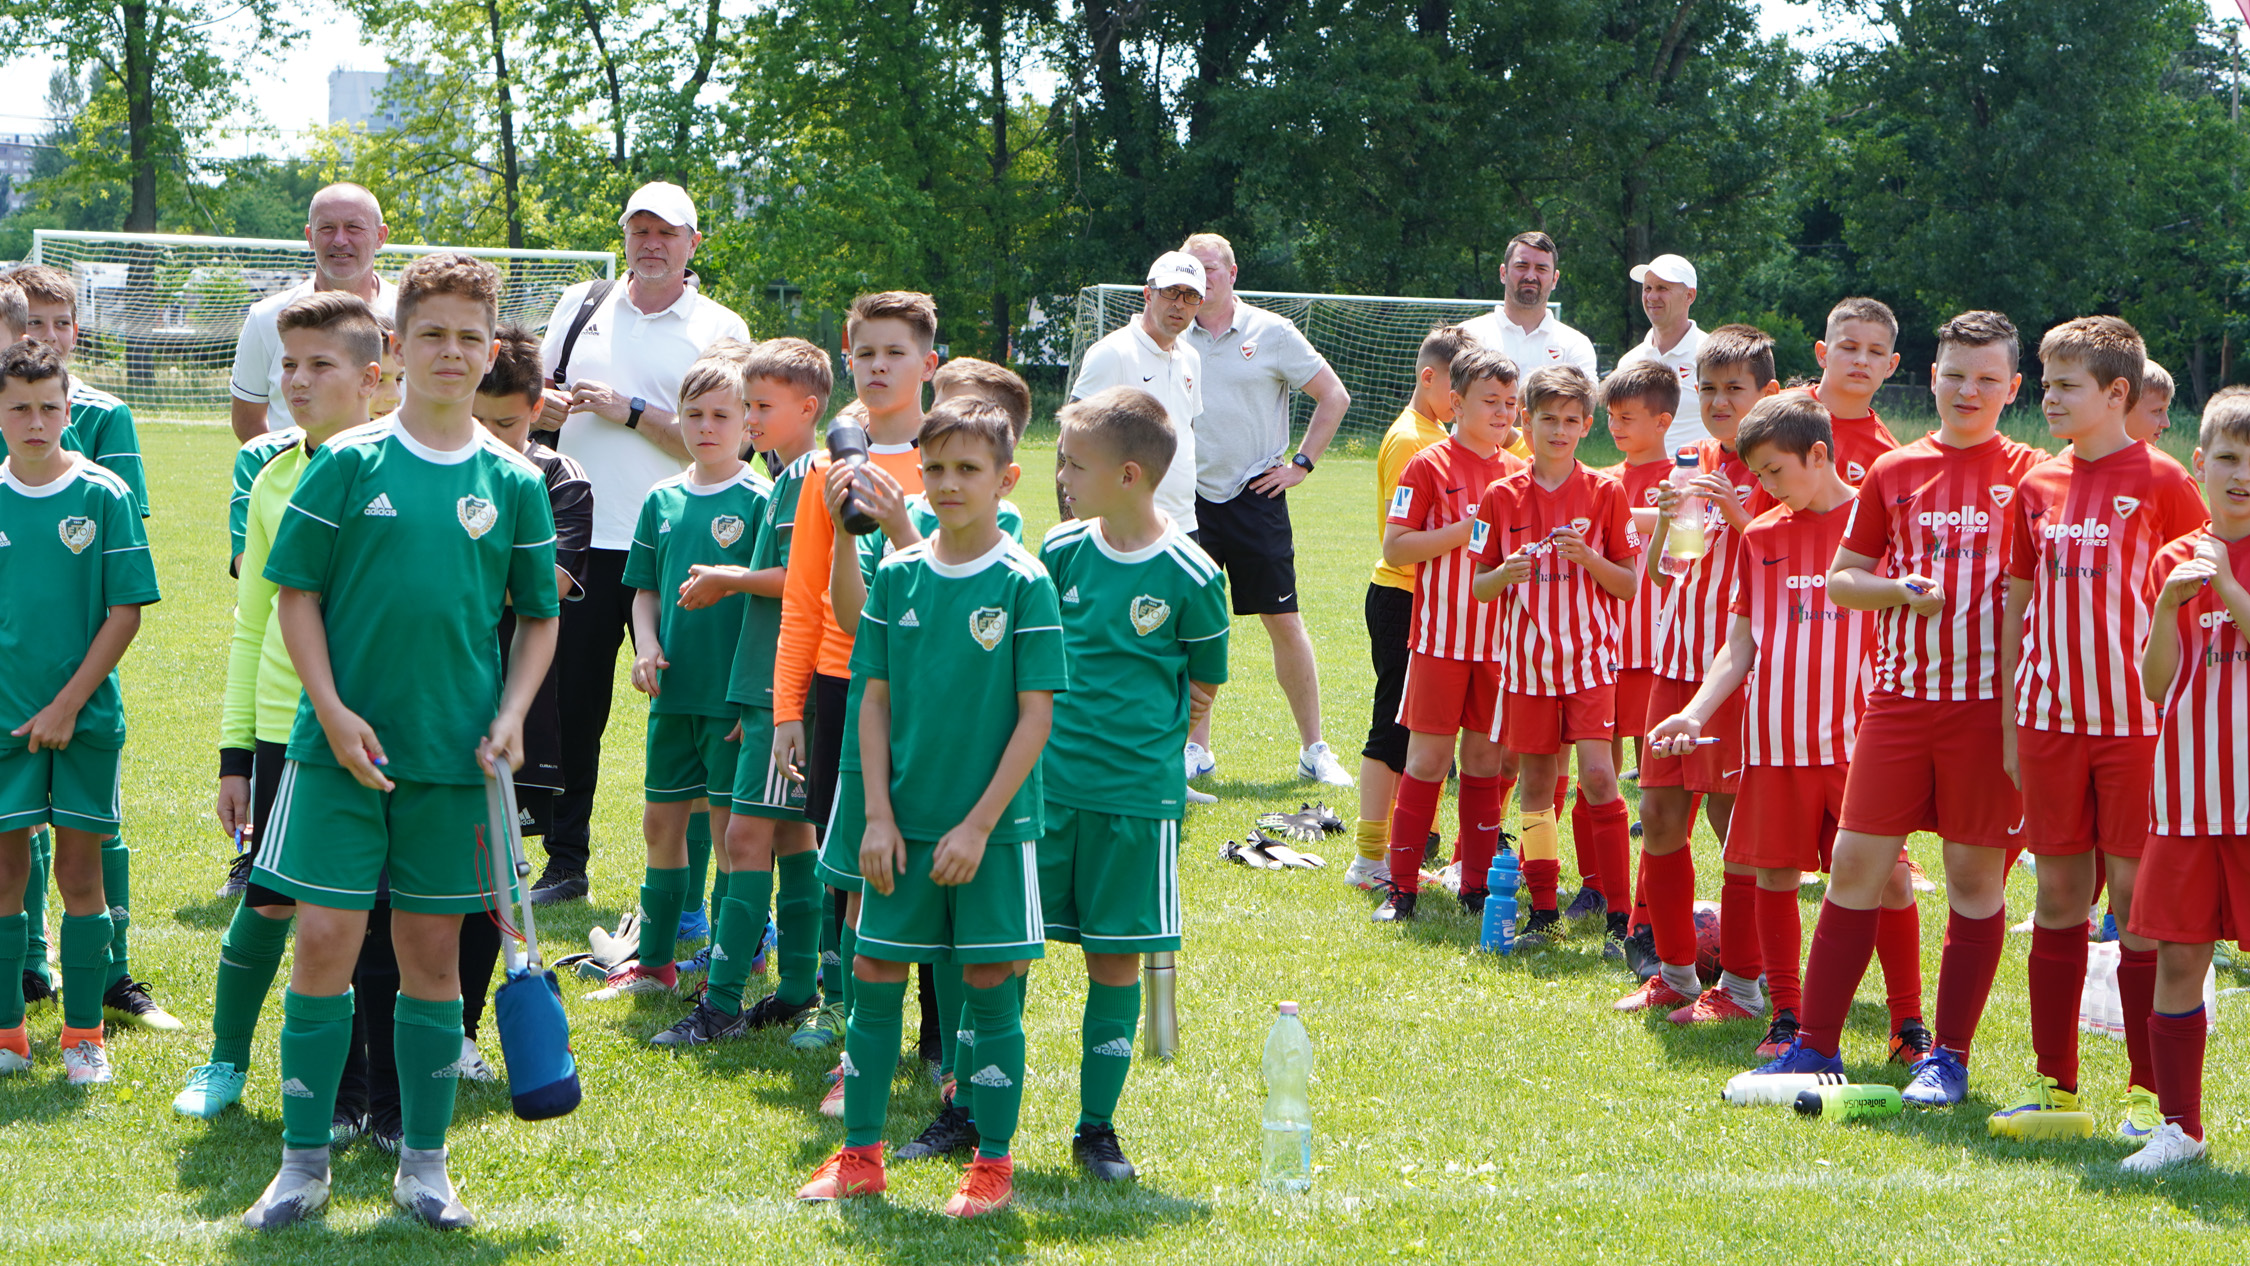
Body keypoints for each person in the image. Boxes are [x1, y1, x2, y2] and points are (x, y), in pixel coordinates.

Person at [239, 253, 559, 1232]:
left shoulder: (516, 481)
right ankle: (301, 1165)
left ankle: (426, 1166)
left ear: (492, 350)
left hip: (455, 762)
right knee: (322, 942)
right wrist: (331, 711)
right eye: (432, 334)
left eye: (470, 336)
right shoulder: (345, 463)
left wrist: (512, 713)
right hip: (336, 753)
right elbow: (296, 595)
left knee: (431, 954)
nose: (451, 352)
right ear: (398, 345)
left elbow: (538, 618)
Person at [1745, 311, 2043, 1096]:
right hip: (1898, 704)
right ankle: (1816, 1047)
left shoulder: (2034, 474)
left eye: (1987, 378)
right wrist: (1898, 590)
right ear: (1932, 377)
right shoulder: (1895, 470)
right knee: (1854, 865)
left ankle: (1947, 1057)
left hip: (1987, 711)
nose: (1969, 390)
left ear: (2013, 388)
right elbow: (1844, 579)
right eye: (1956, 375)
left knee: (1973, 880)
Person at [795, 401, 1066, 1220]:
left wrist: (979, 825)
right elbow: (873, 702)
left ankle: (992, 1164)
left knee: (987, 984)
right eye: (937, 468)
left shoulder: (1024, 581)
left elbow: (1036, 718)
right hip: (902, 826)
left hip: (994, 832)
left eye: (968, 469)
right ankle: (860, 1156)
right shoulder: (898, 575)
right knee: (874, 974)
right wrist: (876, 816)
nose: (950, 484)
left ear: (1005, 479)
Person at [1990, 315, 2205, 1142]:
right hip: (2049, 723)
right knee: (2056, 898)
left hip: (2137, 730)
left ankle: (2148, 1095)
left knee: (2135, 908)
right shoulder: (2036, 487)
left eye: (2066, 386)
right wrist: (2012, 723)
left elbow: (2197, 604)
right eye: (2045, 383)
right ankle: (2056, 1089)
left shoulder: (2163, 481)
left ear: (2117, 393)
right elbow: (2017, 607)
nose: (2049, 398)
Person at [178, 292, 390, 1121]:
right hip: (285, 729)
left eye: (319, 365)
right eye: (288, 365)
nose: (297, 381)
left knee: (369, 913)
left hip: (383, 724)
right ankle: (226, 1059)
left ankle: (365, 1087)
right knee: (270, 897)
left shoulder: (400, 469)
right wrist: (236, 755)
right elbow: (253, 623)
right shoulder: (271, 478)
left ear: (371, 377)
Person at [533, 180, 750, 905]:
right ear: (624, 236)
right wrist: (546, 405)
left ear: (693, 243)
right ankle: (566, 864)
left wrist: (630, 412)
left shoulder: (721, 326)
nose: (651, 244)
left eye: (667, 233)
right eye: (640, 230)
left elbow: (733, 438)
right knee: (571, 711)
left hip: (681, 540)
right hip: (581, 542)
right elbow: (531, 400)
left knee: (697, 712)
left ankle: (702, 889)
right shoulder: (581, 304)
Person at [1646, 391, 1886, 1038]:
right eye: (1759, 476)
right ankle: (1783, 1014)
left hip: (1857, 743)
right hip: (1774, 741)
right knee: (1771, 872)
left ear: (1818, 454)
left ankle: (1909, 1024)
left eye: (1775, 472)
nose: (1768, 487)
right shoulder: (1763, 535)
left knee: (1880, 881)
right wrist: (1695, 713)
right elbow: (1741, 641)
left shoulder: (1872, 523)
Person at [1038, 386, 1229, 1181]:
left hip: (1135, 803)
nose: (1061, 477)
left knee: (1113, 961)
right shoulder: (1058, 551)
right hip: (1043, 790)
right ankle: (973, 1111)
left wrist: (1155, 751)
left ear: (1128, 475)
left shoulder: (1192, 572)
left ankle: (1096, 1129)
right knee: (1001, 953)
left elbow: (1204, 681)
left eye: (1074, 465)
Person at [769, 292, 939, 1060]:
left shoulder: (952, 455)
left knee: (927, 852)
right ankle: (837, 1004)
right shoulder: (826, 466)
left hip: (935, 693)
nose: (878, 366)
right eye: (865, 352)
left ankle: (938, 1025)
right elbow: (804, 599)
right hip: (842, 685)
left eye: (895, 352)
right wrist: (788, 710)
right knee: (842, 859)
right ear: (848, 357)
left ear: (928, 363)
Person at [0, 262, 167, 1032]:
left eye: (48, 407)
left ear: (71, 410)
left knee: (80, 872)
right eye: (19, 408)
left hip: (85, 716)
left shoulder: (103, 492)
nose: (35, 421)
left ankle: (84, 1033)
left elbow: (126, 610)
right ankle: (9, 1031)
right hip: (6, 716)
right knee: (6, 874)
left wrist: (68, 704)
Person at [657, 338, 830, 1043]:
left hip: (785, 689)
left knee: (747, 834)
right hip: (767, 687)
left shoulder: (807, 476)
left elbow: (805, 582)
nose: (750, 419)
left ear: (808, 408)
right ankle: (795, 989)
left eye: (761, 406)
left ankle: (723, 1001)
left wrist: (729, 577)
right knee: (790, 834)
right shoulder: (789, 475)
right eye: (748, 406)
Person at [592, 358, 770, 1012]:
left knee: (729, 838)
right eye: (694, 414)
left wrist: (755, 694)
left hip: (730, 702)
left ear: (747, 423)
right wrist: (647, 646)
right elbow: (643, 590)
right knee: (659, 825)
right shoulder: (661, 498)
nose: (706, 426)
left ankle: (731, 959)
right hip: (673, 696)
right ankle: (656, 965)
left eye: (722, 415)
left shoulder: (760, 500)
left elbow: (773, 605)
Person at [1617, 325, 1776, 1007]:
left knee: (1732, 824)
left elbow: (1790, 564)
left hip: (1733, 675)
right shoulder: (1693, 462)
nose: (1718, 401)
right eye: (1707, 388)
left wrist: (1741, 515)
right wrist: (1663, 522)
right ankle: (1676, 972)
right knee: (1658, 815)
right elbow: (1670, 570)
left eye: (1734, 389)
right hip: (1674, 665)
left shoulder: (1776, 465)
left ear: (1767, 392)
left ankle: (1744, 981)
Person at [1177, 233, 1354, 789]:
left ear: (1232, 273)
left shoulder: (1271, 331)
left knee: (1285, 622)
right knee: (1191, 628)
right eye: (1192, 269)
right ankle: (1194, 750)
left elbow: (1334, 396)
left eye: (1211, 269)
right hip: (1186, 500)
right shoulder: (1169, 333)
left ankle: (1314, 749)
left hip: (1257, 497)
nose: (1202, 279)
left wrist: (1301, 464)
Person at [2125, 385, 2250, 1171]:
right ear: (2200, 463)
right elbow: (2154, 681)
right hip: (2188, 801)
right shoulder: (2174, 557)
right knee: (2177, 958)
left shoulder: (2229, 564)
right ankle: (2180, 1128)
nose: (2244, 475)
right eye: (2230, 459)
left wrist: (2229, 587)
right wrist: (2169, 606)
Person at [1472, 365, 1640, 946]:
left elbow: (1629, 583)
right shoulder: (1500, 496)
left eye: (1571, 420)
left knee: (1598, 774)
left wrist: (1590, 558)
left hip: (1590, 660)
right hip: (1526, 666)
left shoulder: (1605, 492)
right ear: (1526, 420)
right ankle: (1543, 908)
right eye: (1548, 419)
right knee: (1537, 783)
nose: (1559, 430)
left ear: (1587, 425)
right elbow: (1479, 586)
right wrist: (1504, 573)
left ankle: (1620, 914)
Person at [1370, 345, 1526, 923]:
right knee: (1428, 761)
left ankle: (1475, 886)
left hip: (1499, 648)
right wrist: (1466, 529)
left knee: (1485, 762)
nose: (1503, 413)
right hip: (1440, 642)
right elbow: (1396, 548)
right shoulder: (1427, 465)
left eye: (1511, 403)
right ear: (1456, 403)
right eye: (1491, 401)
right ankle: (1401, 889)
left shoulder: (1519, 473)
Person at [1351, 325, 1476, 890]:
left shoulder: (1436, 431)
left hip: (1427, 600)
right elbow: (1399, 541)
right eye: (1458, 386)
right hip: (1402, 596)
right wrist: (1470, 529)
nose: (1464, 398)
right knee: (1392, 729)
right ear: (1430, 378)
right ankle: (1367, 859)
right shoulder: (1412, 441)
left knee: (1417, 730)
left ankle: (1406, 847)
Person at [1581, 359, 1675, 923]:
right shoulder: (1601, 481)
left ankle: (1647, 895)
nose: (1615, 426)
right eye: (1611, 416)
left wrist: (1647, 513)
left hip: (1657, 650)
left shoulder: (1679, 481)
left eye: (1628, 417)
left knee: (1656, 781)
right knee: (1598, 770)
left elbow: (1681, 545)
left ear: (1662, 421)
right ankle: (1595, 881)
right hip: (1603, 648)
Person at [227, 183, 397, 443]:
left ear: (380, 236)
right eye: (327, 228)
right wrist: (293, 466)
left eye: (354, 227)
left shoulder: (411, 316)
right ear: (309, 236)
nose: (340, 240)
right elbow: (247, 419)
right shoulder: (266, 317)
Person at [1068, 251, 1205, 538]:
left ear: (1199, 304)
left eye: (1191, 295)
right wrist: (1072, 529)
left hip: (1184, 524)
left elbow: (1186, 433)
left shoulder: (1191, 358)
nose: (1179, 303)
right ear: (1148, 294)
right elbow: (1069, 441)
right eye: (1171, 291)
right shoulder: (1112, 353)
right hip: (1123, 526)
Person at [1458, 232, 1598, 383]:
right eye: (1521, 266)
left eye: (1541, 269)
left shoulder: (1575, 345)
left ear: (1555, 279)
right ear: (1503, 273)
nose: (1530, 276)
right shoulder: (1468, 336)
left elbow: (1585, 398)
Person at [1614, 254, 1707, 453]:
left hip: (1699, 471)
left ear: (1689, 296)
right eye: (1647, 288)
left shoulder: (1713, 355)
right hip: (1643, 472)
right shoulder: (1629, 362)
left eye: (1662, 288)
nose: (1651, 297)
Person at [1807, 297, 1905, 485]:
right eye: (1849, 348)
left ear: (1891, 365)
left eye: (1876, 352)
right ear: (1822, 354)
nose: (1861, 360)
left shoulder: (1888, 459)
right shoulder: (1771, 411)